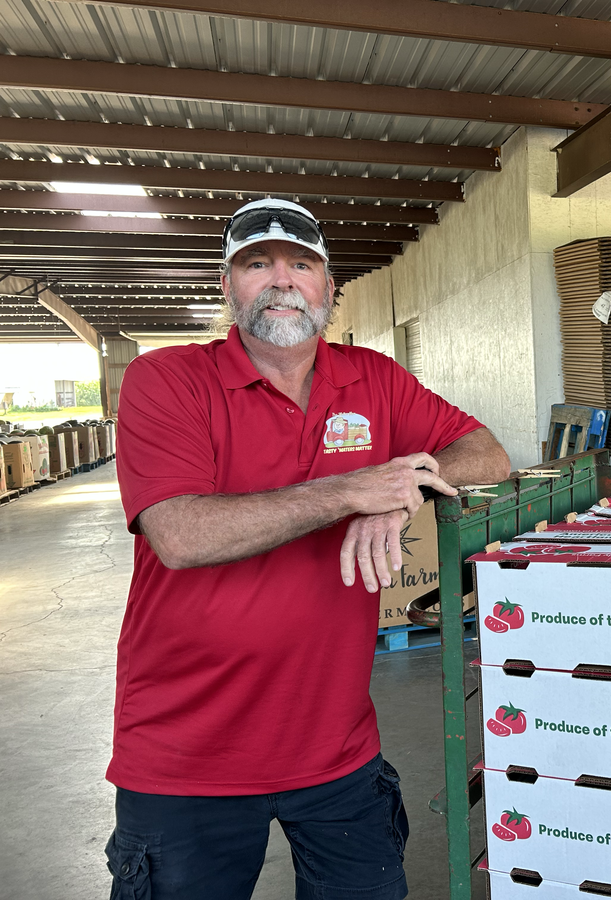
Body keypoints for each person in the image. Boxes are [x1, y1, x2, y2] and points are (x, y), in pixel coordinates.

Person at [106, 198, 510, 899]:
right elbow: (179, 535)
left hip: (337, 751)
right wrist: (352, 492)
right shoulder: (167, 380)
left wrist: (404, 490)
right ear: (228, 287)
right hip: (186, 758)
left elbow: (487, 453)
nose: (281, 279)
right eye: (256, 264)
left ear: (328, 288)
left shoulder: (373, 378)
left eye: (302, 264)